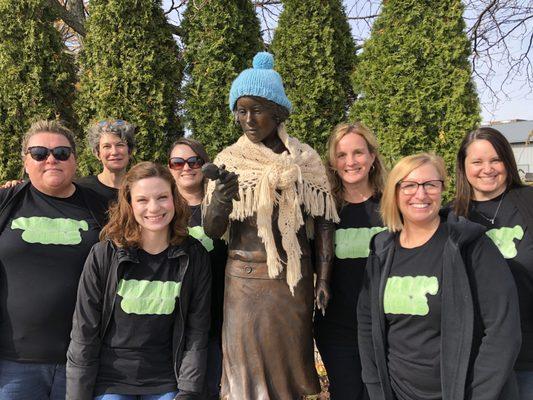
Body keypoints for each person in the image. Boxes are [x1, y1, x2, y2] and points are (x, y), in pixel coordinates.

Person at [202, 51, 338, 400]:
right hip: (244, 283)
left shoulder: (304, 160)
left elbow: (324, 222)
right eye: (241, 110)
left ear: (277, 113)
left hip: (293, 283)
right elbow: (212, 230)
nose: (248, 119)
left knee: (290, 374)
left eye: (257, 110)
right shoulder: (229, 161)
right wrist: (221, 197)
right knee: (246, 378)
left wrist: (323, 278)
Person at [358, 152, 521, 400]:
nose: (420, 194)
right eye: (409, 185)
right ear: (395, 192)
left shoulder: (470, 246)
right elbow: (368, 325)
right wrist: (376, 388)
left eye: (430, 185)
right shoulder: (381, 249)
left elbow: (503, 329)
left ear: (442, 189)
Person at [66, 162, 211, 400]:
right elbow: (84, 331)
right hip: (110, 382)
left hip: (168, 380)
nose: (154, 208)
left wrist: (189, 391)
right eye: (142, 200)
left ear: (174, 199)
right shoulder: (104, 255)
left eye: (162, 197)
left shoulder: (194, 256)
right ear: (129, 204)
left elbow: (197, 331)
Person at [0, 120, 107, 400]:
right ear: (25, 161)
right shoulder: (5, 202)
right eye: (39, 153)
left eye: (61, 153)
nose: (51, 159)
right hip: (12, 364)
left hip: (82, 361)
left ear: (75, 160)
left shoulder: (102, 208)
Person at [454, 127, 533, 399]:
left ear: (507, 163)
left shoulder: (529, 203)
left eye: (495, 160)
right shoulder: (450, 218)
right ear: (463, 167)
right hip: (477, 359)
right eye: (477, 161)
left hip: (528, 356)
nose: (487, 169)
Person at [314, 122, 386, 400]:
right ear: (333, 161)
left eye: (358, 153)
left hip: (386, 327)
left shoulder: (392, 205)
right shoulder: (322, 210)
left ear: (371, 157)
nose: (350, 162)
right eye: (342, 155)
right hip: (338, 329)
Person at [168, 138, 227, 400]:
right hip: (172, 324)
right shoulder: (162, 209)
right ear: (169, 168)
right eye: (177, 162)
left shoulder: (224, 207)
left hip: (216, 322)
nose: (186, 168)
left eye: (194, 161)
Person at [77, 119, 136, 204]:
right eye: (107, 146)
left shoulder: (141, 189)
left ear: (129, 151)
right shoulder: (82, 189)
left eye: (120, 145)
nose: (114, 152)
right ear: (97, 153)